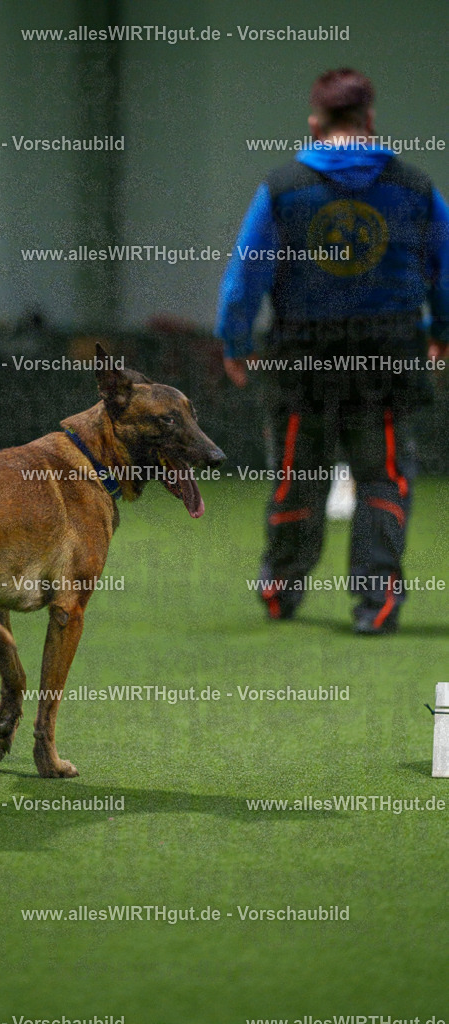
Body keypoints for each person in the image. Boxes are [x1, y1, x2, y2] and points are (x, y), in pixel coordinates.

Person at [215, 68, 449, 633]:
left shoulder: (282, 188)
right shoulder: (416, 188)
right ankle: (377, 605)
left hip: (303, 358)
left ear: (315, 123)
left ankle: (280, 589)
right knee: (383, 479)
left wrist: (236, 341)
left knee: (298, 473)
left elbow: (245, 276)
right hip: (388, 356)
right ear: (370, 119)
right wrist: (442, 330)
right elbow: (446, 269)